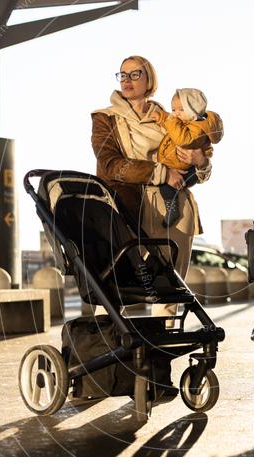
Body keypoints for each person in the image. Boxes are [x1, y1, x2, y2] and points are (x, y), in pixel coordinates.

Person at [90, 55, 211, 322]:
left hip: (176, 207)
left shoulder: (171, 118)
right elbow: (111, 165)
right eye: (123, 75)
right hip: (128, 204)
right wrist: (161, 172)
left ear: (149, 80)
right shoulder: (105, 118)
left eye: (135, 74)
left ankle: (161, 350)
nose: (127, 80)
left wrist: (201, 162)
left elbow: (199, 165)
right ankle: (100, 341)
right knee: (114, 281)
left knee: (170, 288)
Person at [151, 88, 223, 227]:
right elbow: (168, 119)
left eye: (180, 110)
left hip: (186, 171)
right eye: (173, 109)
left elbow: (182, 139)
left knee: (166, 187)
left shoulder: (197, 128)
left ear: (193, 111)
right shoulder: (185, 122)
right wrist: (161, 117)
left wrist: (169, 120)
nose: (175, 114)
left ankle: (172, 210)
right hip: (179, 167)